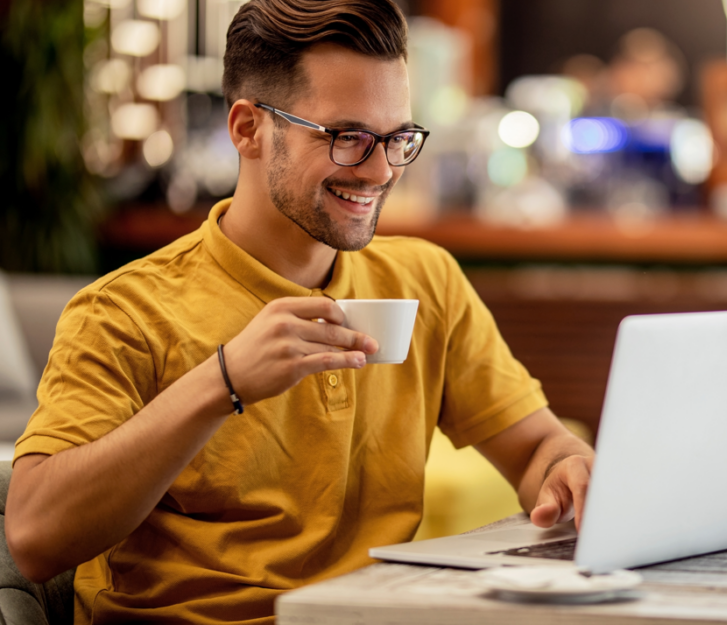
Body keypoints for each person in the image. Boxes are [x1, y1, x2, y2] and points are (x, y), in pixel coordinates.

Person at [5, 1, 595, 622]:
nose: (379, 170)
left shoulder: (426, 279)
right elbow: (35, 539)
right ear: (248, 129)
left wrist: (568, 469)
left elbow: (536, 448)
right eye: (347, 137)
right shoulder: (123, 312)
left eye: (397, 138)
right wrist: (223, 382)